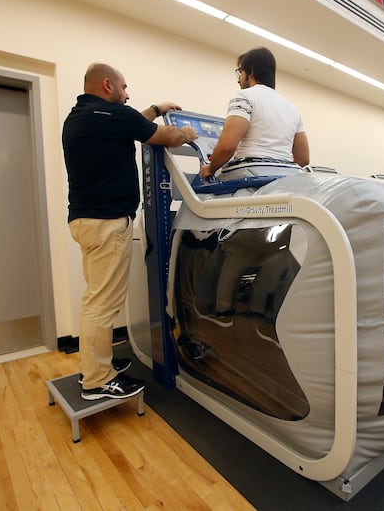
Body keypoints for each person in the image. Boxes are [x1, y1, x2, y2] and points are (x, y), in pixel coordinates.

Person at [63, 62, 199, 400]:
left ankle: (97, 365)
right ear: (108, 85)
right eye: (125, 88)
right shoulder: (113, 116)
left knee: (95, 299)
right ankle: (96, 380)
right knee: (102, 305)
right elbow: (164, 136)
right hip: (107, 224)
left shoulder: (80, 116)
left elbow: (129, 122)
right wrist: (188, 135)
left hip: (85, 222)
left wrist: (156, 108)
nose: (127, 95)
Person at [199, 47, 310, 183]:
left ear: (250, 71)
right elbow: (303, 159)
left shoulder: (245, 96)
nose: (238, 79)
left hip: (250, 175)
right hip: (285, 178)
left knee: (198, 188)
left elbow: (226, 147)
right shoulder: (292, 108)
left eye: (240, 71)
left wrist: (210, 169)